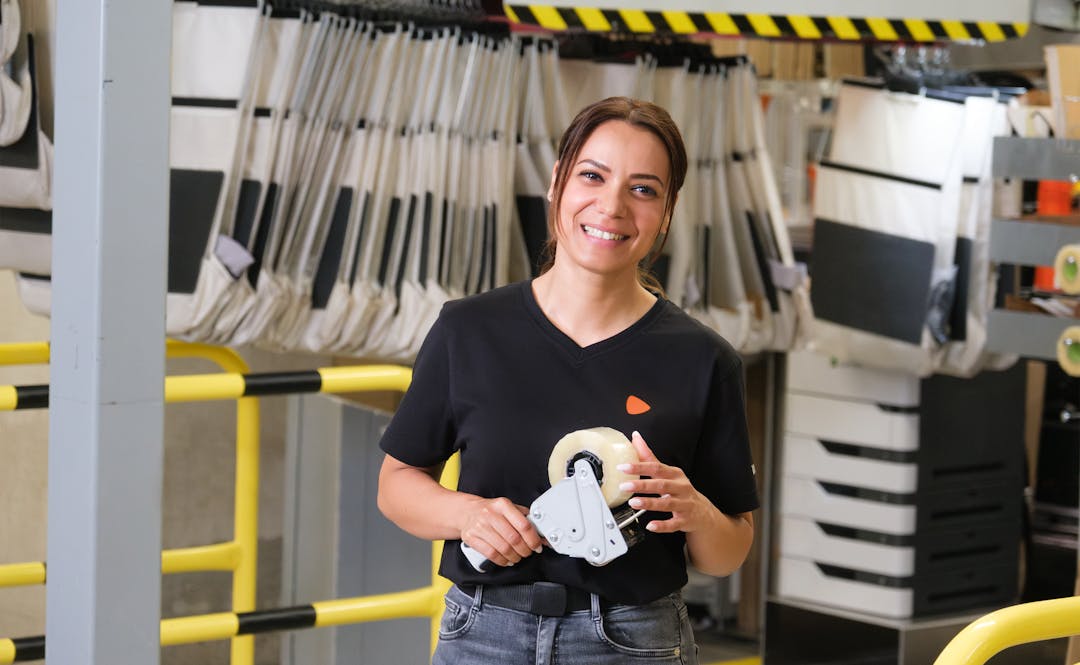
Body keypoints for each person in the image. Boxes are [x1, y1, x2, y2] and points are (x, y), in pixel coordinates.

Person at [377, 96, 758, 665]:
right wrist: (467, 515)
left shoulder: (704, 359)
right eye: (592, 176)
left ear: (667, 212)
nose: (612, 206)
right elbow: (397, 483)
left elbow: (726, 552)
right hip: (483, 632)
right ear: (557, 183)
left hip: (634, 641)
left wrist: (697, 510)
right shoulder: (470, 330)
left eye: (643, 189)